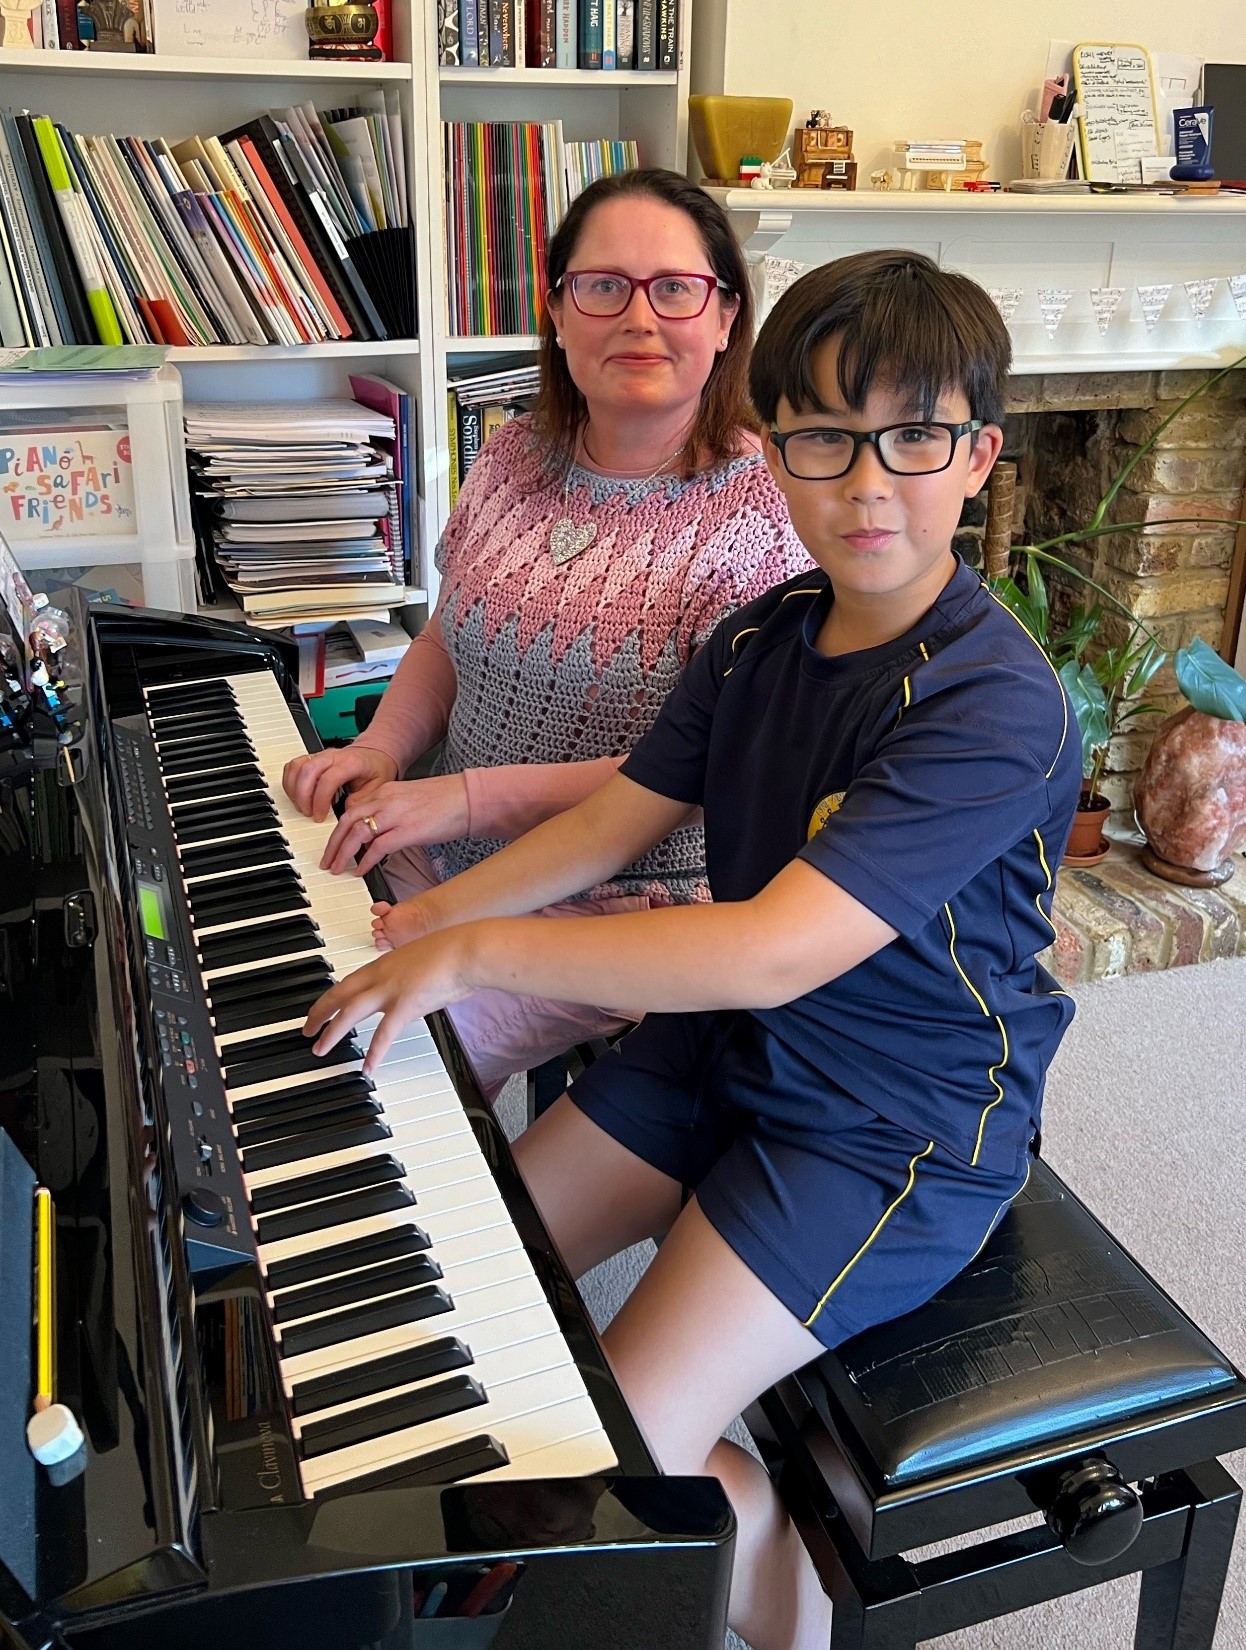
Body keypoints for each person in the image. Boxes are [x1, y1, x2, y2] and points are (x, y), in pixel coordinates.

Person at [302, 250, 1083, 1649]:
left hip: (885, 1123)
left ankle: (770, 1558)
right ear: (768, 444)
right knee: (465, 1293)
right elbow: (611, 822)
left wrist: (483, 957)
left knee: (622, 1440)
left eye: (912, 437)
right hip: (718, 1055)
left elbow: (773, 949)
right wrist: (423, 921)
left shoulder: (992, 707)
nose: (864, 482)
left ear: (978, 456)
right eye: (822, 437)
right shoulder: (758, 638)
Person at [282, 168, 811, 1095]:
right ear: (560, 312)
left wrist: (464, 799)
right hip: (438, 846)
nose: (638, 317)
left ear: (727, 319)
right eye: (603, 286)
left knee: (371, 1073)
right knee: (279, 966)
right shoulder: (511, 455)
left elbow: (702, 776)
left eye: (676, 288)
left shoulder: (765, 518)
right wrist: (382, 748)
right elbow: (448, 636)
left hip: (619, 908)